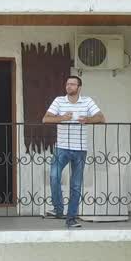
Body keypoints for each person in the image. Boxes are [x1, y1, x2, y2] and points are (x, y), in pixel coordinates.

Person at [42, 75, 105, 227]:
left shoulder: (87, 101)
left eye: (72, 84)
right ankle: (58, 209)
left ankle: (71, 219)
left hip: (80, 149)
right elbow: (46, 119)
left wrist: (87, 120)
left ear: (79, 87)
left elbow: (101, 118)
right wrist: (62, 117)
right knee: (54, 176)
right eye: (67, 84)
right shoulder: (59, 101)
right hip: (61, 148)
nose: (69, 86)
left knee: (76, 185)